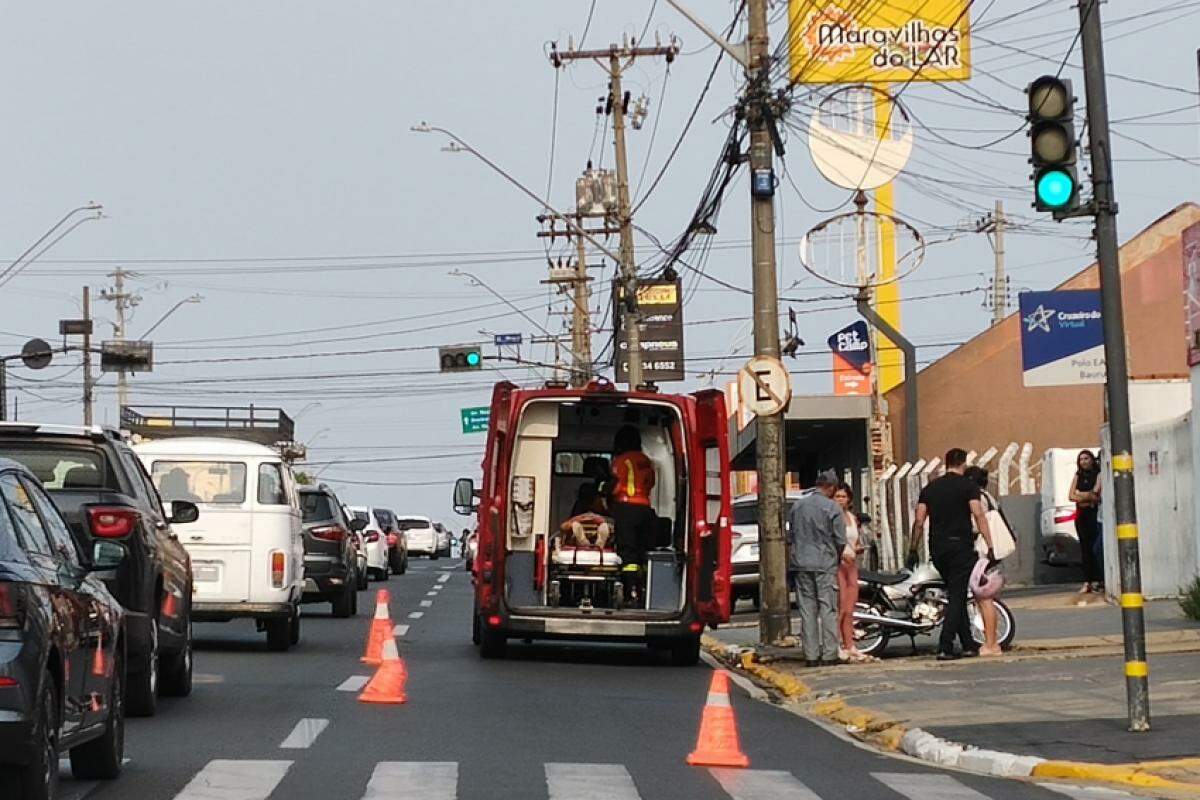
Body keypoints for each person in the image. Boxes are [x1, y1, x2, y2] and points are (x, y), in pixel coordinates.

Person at [909, 448, 994, 661]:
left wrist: (912, 549)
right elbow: (978, 514)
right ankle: (945, 645)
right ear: (963, 464)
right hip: (960, 547)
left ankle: (968, 644)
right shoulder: (968, 487)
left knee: (956, 591)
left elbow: (919, 521)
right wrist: (990, 543)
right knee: (957, 596)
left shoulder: (930, 489)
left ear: (946, 463)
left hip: (938, 548)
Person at [789, 471, 850, 667]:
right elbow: (840, 540)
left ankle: (811, 655)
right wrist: (836, 556)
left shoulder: (798, 505)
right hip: (824, 563)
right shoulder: (832, 508)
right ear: (831, 487)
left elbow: (791, 536)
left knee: (807, 610)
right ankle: (830, 653)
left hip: (801, 563)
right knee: (828, 608)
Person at [608, 426, 656, 602]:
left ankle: (628, 591)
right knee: (642, 549)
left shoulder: (620, 460)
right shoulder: (645, 461)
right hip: (645, 507)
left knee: (627, 552)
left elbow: (614, 485)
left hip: (626, 507)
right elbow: (651, 482)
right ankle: (644, 590)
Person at [965, 466, 1005, 656]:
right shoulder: (989, 496)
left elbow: (977, 523)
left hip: (982, 552)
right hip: (991, 553)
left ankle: (991, 644)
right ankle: (992, 641)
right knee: (986, 597)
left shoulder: (977, 498)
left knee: (983, 597)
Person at [833, 483, 872, 663]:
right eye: (837, 496)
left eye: (843, 496)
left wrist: (857, 548)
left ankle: (850, 645)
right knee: (840, 607)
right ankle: (836, 644)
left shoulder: (851, 517)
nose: (841, 500)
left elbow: (853, 540)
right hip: (838, 564)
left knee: (850, 607)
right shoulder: (832, 517)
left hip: (852, 564)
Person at [1070, 449, 1103, 594]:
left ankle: (1099, 579)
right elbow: (1071, 495)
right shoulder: (1078, 475)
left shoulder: (1098, 474)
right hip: (1081, 516)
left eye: (1086, 458)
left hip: (1093, 514)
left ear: (1092, 460)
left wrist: (1081, 495)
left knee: (1095, 547)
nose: (1083, 462)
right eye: (1081, 459)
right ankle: (1087, 581)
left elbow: (1095, 496)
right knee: (1084, 549)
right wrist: (1086, 496)